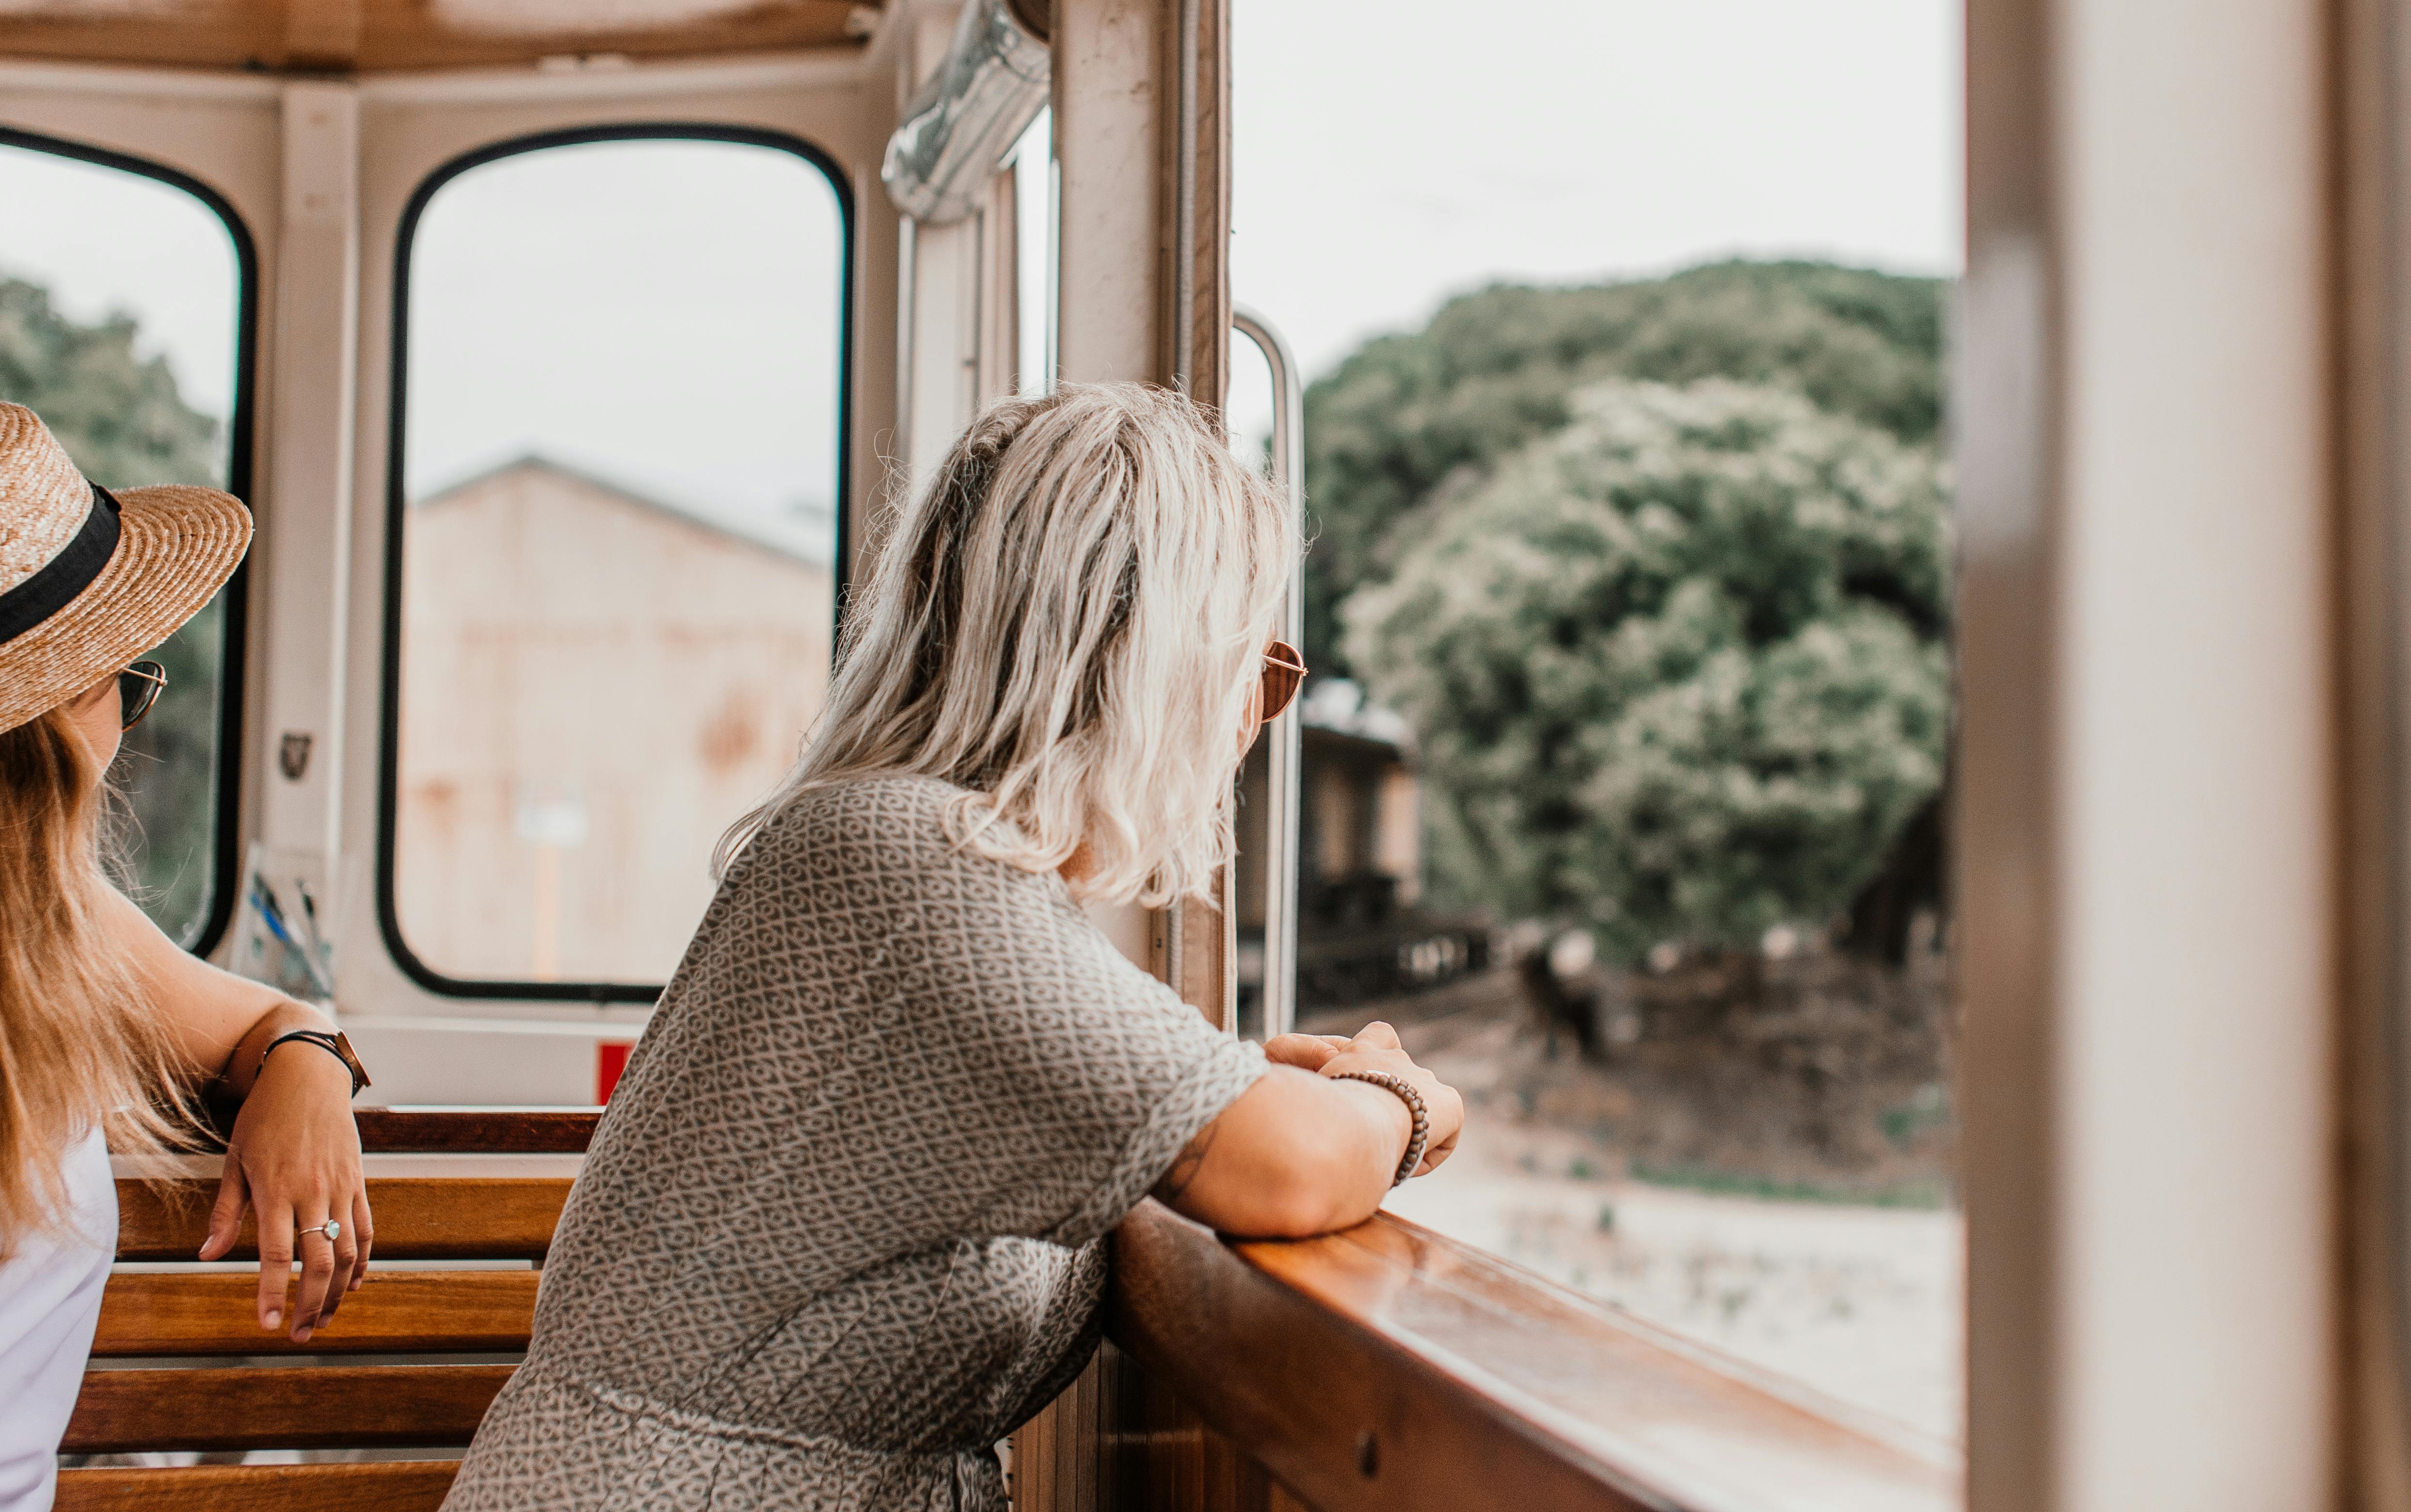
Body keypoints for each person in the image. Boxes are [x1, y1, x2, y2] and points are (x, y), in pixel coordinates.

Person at [445, 383, 1464, 1512]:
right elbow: (1289, 1166)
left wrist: (1233, 1096)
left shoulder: (915, 865)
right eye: (1254, 675)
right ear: (1152, 662)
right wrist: (1394, 1096)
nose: (1246, 727)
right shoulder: (913, 868)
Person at [0, 404, 373, 1512]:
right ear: (65, 719)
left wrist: (307, 1063)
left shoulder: (52, 920)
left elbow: (265, 1018)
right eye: (125, 675)